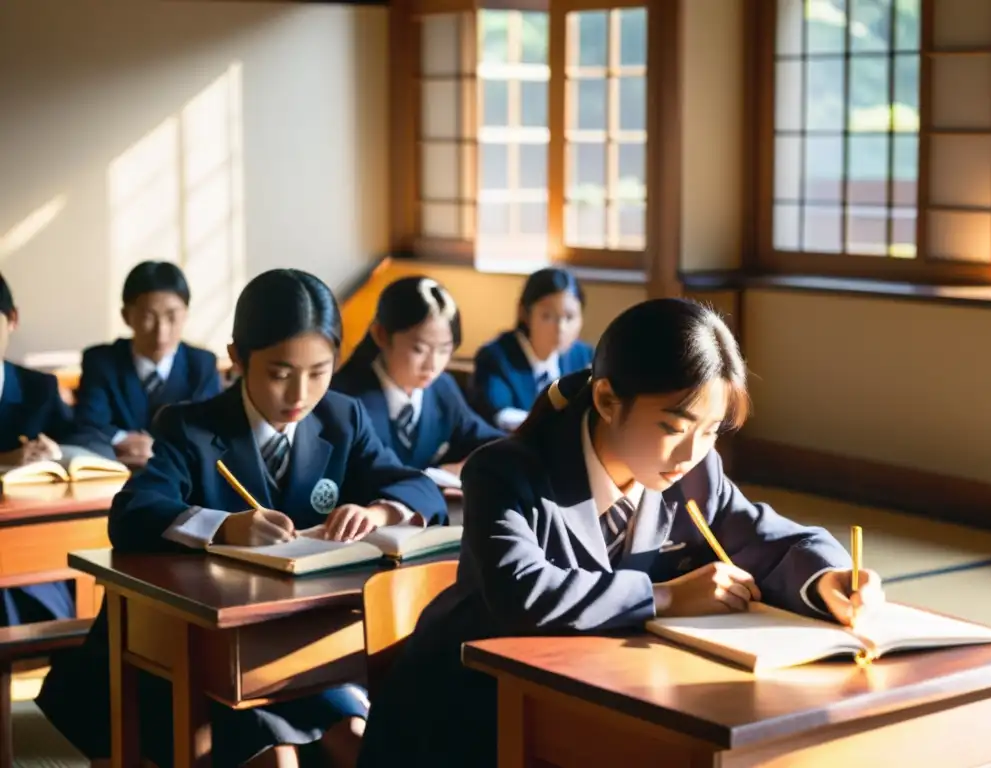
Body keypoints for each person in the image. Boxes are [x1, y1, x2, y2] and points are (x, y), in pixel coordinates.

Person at [357, 298, 884, 767]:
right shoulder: (506, 471)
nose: (691, 453)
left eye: (710, 432)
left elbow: (775, 541)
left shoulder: (697, 470)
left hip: (601, 696)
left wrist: (830, 579)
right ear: (608, 401)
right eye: (674, 428)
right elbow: (522, 593)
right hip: (468, 710)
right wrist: (666, 597)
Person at [39, 268, 449, 767]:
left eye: (319, 372)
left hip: (304, 638)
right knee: (277, 754)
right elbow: (132, 513)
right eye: (279, 373)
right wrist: (223, 525)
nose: (299, 393)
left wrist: (376, 509)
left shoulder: (343, 418)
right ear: (236, 357)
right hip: (203, 645)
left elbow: (419, 487)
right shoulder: (192, 426)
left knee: (357, 736)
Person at [0, 273, 110, 626]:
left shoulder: (38, 389)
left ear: (12, 319)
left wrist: (57, 452)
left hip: (34, 541)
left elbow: (89, 440)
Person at [331, 276, 503, 473]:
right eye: (419, 350)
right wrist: (434, 477)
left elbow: (486, 439)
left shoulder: (442, 387)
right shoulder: (344, 401)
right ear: (381, 335)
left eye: (444, 350)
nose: (432, 365)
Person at [74, 260, 222, 469]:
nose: (161, 332)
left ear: (186, 314)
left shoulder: (202, 364)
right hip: (119, 475)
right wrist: (122, 439)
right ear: (127, 316)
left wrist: (159, 448)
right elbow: (87, 425)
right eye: (148, 317)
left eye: (172, 317)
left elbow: (210, 430)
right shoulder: (101, 361)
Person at [471, 267, 593, 430]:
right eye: (547, 316)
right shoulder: (496, 357)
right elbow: (500, 415)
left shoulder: (584, 356)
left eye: (570, 317)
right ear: (525, 314)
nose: (561, 328)